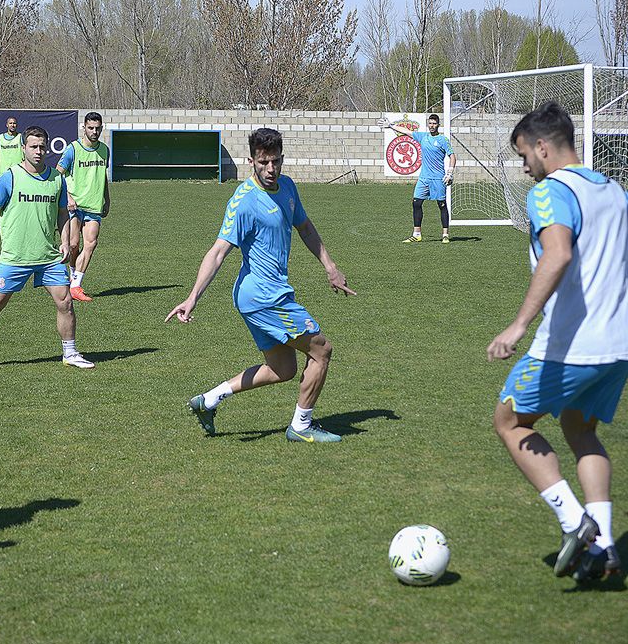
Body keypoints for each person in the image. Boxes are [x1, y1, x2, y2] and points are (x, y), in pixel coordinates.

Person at [487, 101, 628, 582]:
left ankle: (574, 522)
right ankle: (605, 548)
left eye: (524, 154)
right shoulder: (610, 188)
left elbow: (558, 252)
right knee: (580, 429)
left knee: (510, 419)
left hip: (575, 343)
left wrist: (519, 323)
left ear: (543, 147)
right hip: (624, 340)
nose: (524, 166)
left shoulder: (550, 191)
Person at [166, 128, 356, 443]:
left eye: (276, 161)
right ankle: (302, 426)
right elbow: (217, 253)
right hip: (263, 297)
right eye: (264, 162)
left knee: (282, 368)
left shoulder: (289, 188)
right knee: (322, 350)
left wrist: (330, 266)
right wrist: (192, 298)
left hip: (268, 294)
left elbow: (305, 227)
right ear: (251, 160)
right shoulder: (243, 202)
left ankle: (209, 400)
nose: (271, 169)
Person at [0, 125, 95, 372]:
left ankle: (70, 352)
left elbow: (62, 214)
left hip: (48, 256)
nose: (38, 151)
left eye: (42, 147)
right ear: (23, 148)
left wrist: (64, 240)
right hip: (15, 256)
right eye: (33, 146)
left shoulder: (56, 178)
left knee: (65, 302)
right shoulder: (11, 176)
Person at [57, 112, 111, 302]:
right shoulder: (73, 149)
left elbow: (102, 175)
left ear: (101, 128)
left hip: (94, 205)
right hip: (74, 205)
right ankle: (72, 273)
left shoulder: (105, 150)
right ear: (84, 128)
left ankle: (76, 285)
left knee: (91, 244)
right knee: (73, 245)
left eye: (97, 128)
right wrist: (68, 197)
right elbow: (58, 174)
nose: (94, 131)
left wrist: (107, 198)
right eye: (91, 128)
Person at [378, 113, 456, 243]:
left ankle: (445, 234)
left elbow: (452, 156)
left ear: (438, 125)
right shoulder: (423, 137)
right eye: (430, 123)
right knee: (416, 203)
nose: (432, 126)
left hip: (438, 178)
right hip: (424, 178)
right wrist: (391, 125)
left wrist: (449, 173)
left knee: (441, 205)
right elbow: (406, 131)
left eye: (434, 123)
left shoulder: (443, 140)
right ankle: (417, 234)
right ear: (428, 124)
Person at [0, 117, 24, 232]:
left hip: (18, 173)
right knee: (0, 200)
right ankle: (0, 224)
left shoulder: (21, 138)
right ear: (6, 125)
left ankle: (18, 222)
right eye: (10, 123)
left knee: (18, 199)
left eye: (14, 123)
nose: (12, 125)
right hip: (3, 174)